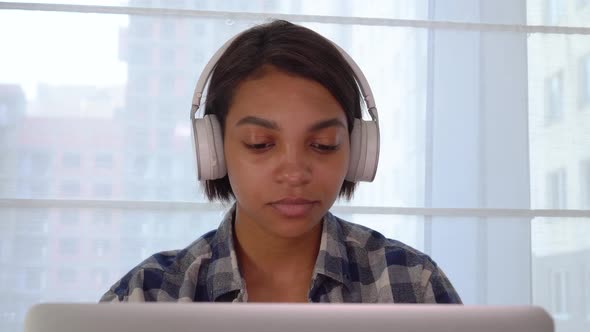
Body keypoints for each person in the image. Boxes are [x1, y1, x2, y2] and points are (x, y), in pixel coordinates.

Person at [100, 20, 461, 303]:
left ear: (357, 150)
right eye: (260, 144)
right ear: (213, 148)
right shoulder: (145, 297)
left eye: (322, 144)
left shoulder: (413, 285)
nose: (294, 173)